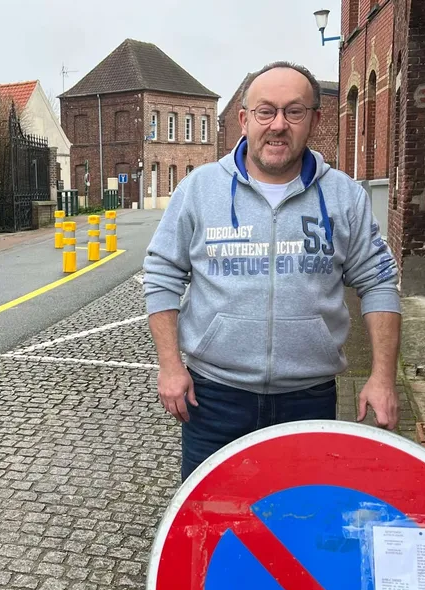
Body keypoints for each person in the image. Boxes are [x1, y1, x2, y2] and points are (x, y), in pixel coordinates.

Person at [142, 61, 402, 481]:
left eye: (294, 111)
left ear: (315, 119)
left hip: (309, 401)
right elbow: (161, 274)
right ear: (245, 120)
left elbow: (378, 282)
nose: (278, 124)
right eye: (266, 111)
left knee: (299, 529)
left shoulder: (345, 197)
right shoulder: (200, 189)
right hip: (213, 400)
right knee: (213, 526)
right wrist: (170, 365)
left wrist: (383, 377)